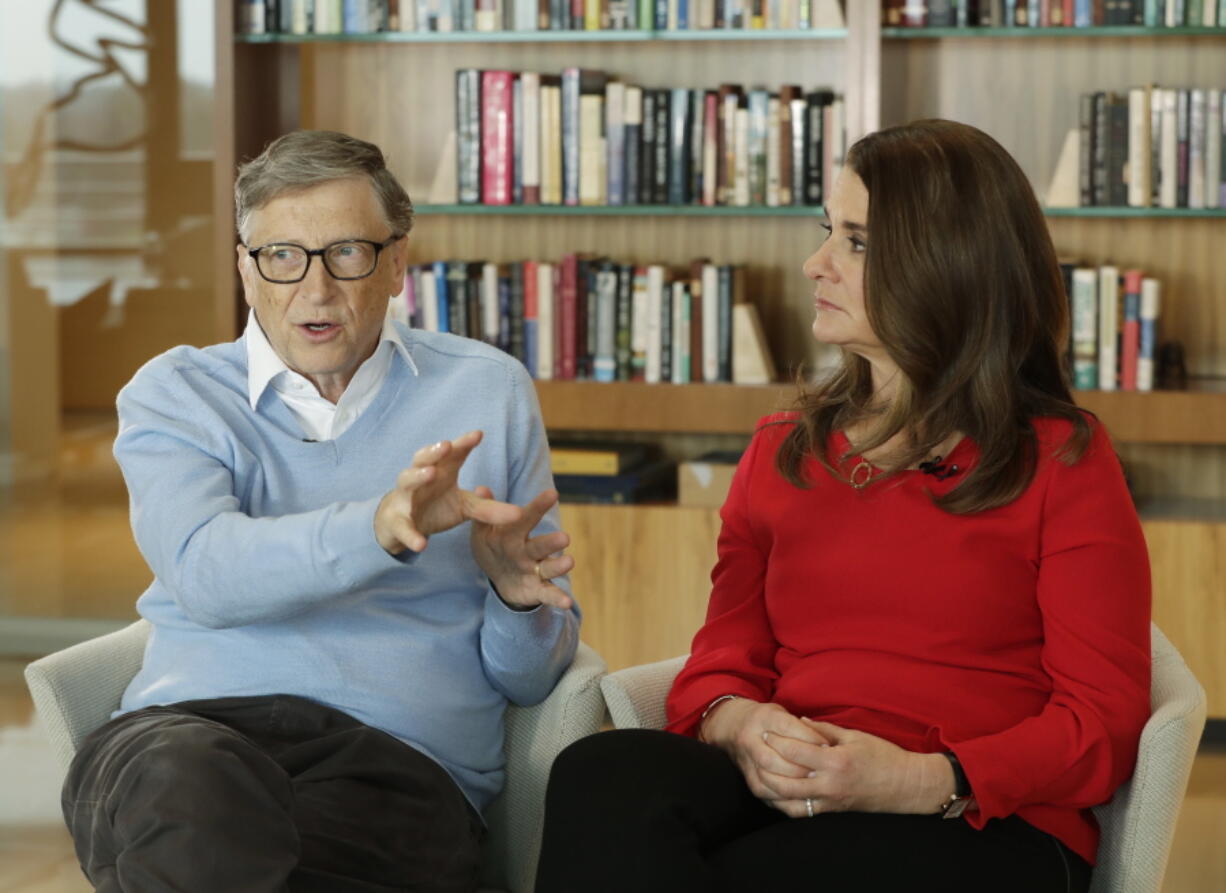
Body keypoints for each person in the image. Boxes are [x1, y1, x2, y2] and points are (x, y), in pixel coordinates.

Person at [534, 119, 1151, 893]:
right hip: (794, 787)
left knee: (752, 873)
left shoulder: (1063, 460)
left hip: (982, 815)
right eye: (829, 231)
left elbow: (1103, 723)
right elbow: (721, 658)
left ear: (946, 265)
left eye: (856, 242)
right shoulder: (782, 448)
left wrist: (918, 778)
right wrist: (740, 724)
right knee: (604, 770)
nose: (814, 263)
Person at [60, 129, 580, 892]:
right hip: (189, 735)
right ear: (245, 267)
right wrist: (379, 525)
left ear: (397, 260)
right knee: (192, 810)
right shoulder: (176, 394)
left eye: (347, 252)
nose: (315, 288)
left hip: (396, 762)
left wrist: (511, 599)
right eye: (281, 255)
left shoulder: (485, 392)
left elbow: (533, 679)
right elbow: (207, 572)